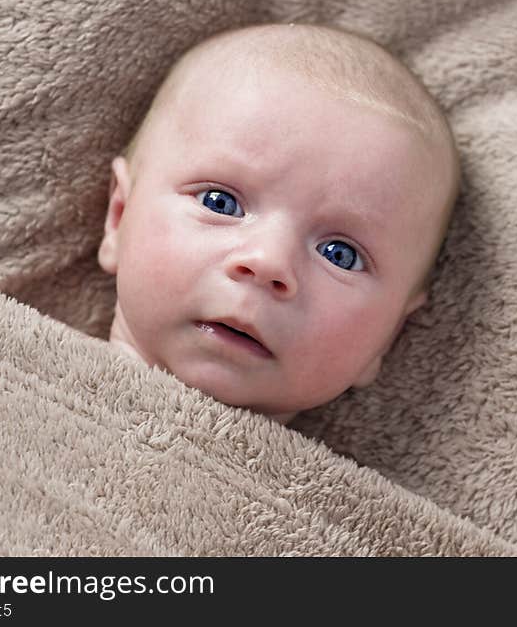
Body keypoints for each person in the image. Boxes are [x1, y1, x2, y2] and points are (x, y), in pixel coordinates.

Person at [98, 23, 459, 424]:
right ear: (119, 216)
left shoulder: (338, 489)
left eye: (340, 255)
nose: (268, 262)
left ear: (389, 335)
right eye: (221, 202)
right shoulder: (21, 375)